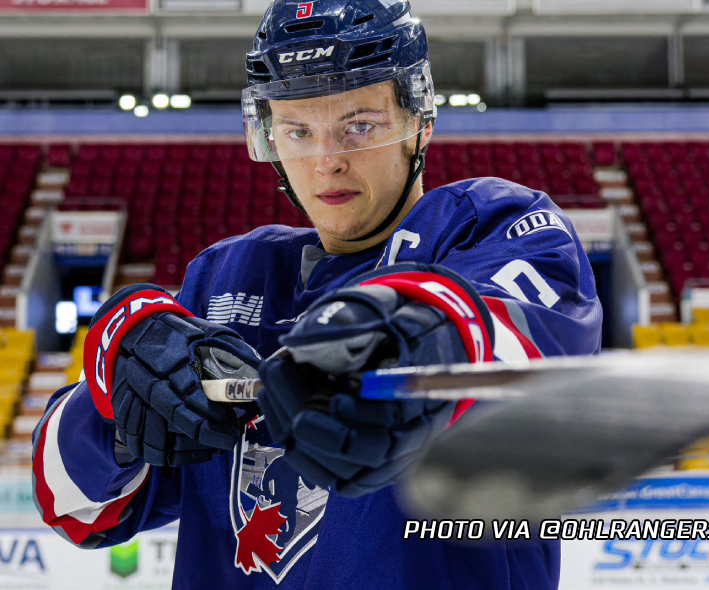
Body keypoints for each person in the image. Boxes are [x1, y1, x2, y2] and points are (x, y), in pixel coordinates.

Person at [31, 0, 603, 588]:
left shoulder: (497, 229)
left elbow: (507, 342)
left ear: (420, 122)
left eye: (360, 125)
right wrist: (118, 393)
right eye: (298, 131)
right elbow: (72, 506)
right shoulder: (225, 278)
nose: (327, 161)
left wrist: (399, 335)